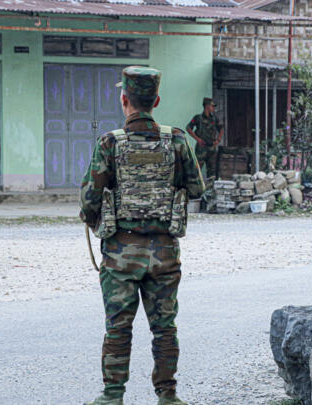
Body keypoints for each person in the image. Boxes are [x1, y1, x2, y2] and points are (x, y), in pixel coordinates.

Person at [80, 66, 205, 405]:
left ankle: (112, 396)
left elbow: (90, 199)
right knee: (164, 327)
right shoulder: (177, 139)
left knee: (118, 327)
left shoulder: (109, 143)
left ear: (125, 100)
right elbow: (196, 187)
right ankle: (168, 395)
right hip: (164, 252)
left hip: (121, 253)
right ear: (157, 100)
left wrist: (94, 220)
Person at [187, 97, 224, 179]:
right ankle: (196, 188)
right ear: (207, 106)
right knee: (196, 170)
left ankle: (210, 188)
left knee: (212, 170)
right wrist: (197, 139)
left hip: (211, 148)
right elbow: (188, 128)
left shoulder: (214, 118)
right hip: (201, 148)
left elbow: (221, 129)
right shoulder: (198, 118)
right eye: (212, 106)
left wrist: (218, 140)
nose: (213, 108)